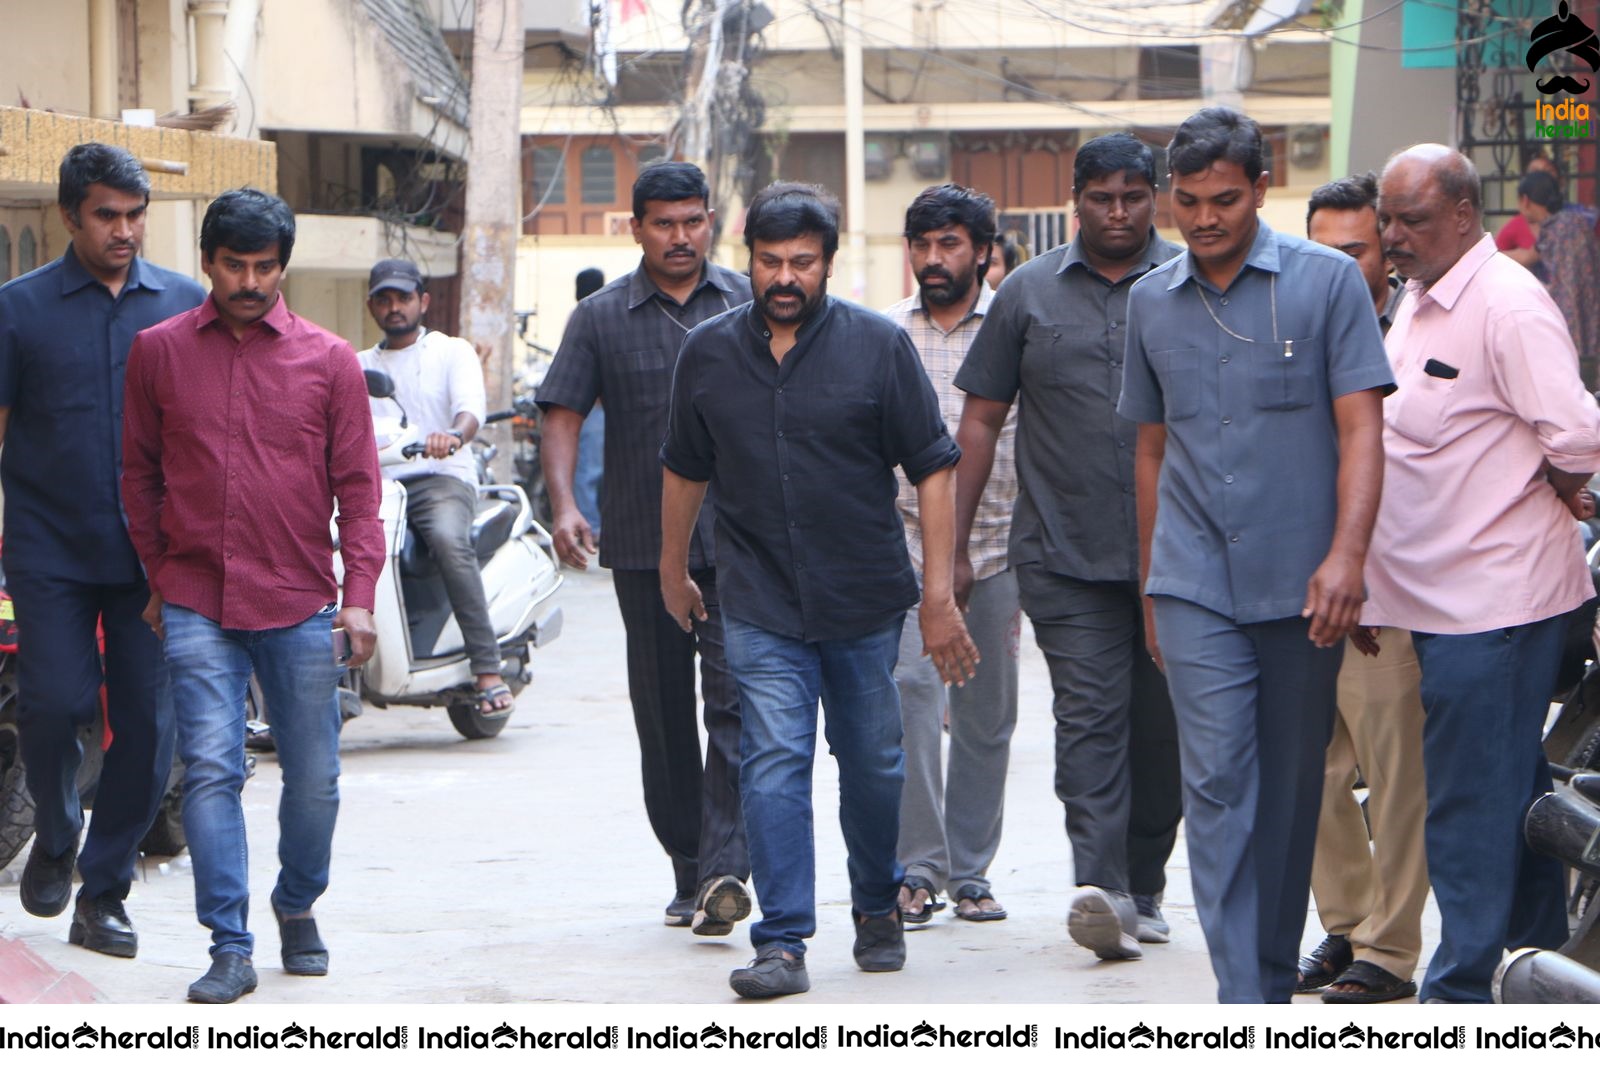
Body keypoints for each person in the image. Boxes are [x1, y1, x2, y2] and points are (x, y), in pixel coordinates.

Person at [660, 181, 977, 999]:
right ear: (750, 262)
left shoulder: (877, 347)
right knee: (771, 761)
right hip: (757, 597)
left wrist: (937, 596)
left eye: (802, 261)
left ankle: (877, 900)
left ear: (830, 263)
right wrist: (672, 566)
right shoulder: (708, 353)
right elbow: (685, 470)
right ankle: (783, 939)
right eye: (770, 261)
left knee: (872, 761)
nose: (785, 277)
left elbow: (935, 470)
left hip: (864, 600)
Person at [1117, 107, 1393, 1003]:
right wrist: (1156, 586)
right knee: (1220, 785)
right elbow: (1151, 448)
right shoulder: (1149, 301)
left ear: (1262, 189)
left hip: (1305, 586)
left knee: (1287, 796)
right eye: (1187, 200)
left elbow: (1362, 429)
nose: (1203, 218)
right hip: (1194, 582)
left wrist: (1349, 557)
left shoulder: (1326, 285)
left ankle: (1270, 981)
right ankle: (1243, 999)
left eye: (1223, 200)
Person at [122, 188, 384, 1003]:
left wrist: (361, 594)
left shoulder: (330, 359)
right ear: (207, 262)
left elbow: (359, 488)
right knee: (210, 769)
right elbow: (139, 475)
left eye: (264, 267)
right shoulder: (158, 352)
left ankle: (297, 904)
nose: (248, 281)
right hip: (197, 595)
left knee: (315, 778)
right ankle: (228, 942)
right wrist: (160, 574)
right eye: (233, 265)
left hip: (302, 599)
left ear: (282, 267)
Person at [1367, 144, 1600, 1003]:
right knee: (1511, 788)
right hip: (1436, 597)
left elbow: (1575, 432)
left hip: (1493, 601)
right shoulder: (1420, 302)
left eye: (1412, 219)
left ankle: (1460, 990)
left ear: (1464, 215)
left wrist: (1557, 482)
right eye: (1387, 218)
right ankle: (1541, 954)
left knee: (1469, 799)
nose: (1393, 235)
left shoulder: (1507, 304)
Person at [955, 132, 1184, 958]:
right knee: (1089, 716)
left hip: (1178, 559)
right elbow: (980, 417)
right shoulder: (1026, 293)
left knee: (1162, 729)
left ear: (1154, 196)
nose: (1116, 212)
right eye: (1100, 197)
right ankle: (1105, 888)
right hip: (1062, 551)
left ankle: (1146, 879)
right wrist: (954, 546)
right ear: (1075, 201)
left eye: (1132, 195)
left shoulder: (1191, 283)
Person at [538, 162, 754, 933]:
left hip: (741, 542)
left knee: (737, 702)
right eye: (663, 223)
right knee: (663, 715)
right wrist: (565, 504)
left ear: (710, 222)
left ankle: (728, 864)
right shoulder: (599, 317)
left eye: (693, 220)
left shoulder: (748, 301)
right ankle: (689, 864)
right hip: (640, 542)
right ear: (635, 229)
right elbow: (561, 411)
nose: (680, 236)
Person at [0, 143, 204, 957]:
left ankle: (106, 889)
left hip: (155, 554)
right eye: (107, 216)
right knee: (53, 702)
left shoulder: (186, 305)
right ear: (69, 217)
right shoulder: (17, 310)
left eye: (135, 215)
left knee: (152, 730)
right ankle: (56, 830)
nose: (125, 231)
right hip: (49, 546)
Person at [1295, 171, 1429, 1005]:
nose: (1339, 268)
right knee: (1312, 769)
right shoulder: (1284, 326)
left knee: (1395, 773)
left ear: (1386, 250)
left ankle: (1390, 947)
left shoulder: (1413, 331)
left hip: (1392, 589)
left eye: (1355, 250)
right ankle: (1345, 926)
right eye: (1321, 252)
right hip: (1303, 591)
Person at [884, 183, 1019, 925]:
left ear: (983, 251)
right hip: (904, 548)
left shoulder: (1015, 324)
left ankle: (972, 872)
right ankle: (920, 867)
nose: (933, 260)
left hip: (999, 547)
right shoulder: (886, 332)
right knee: (910, 694)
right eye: (922, 245)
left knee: (985, 714)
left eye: (950, 244)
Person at [357, 258, 507, 714]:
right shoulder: (358, 365)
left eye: (402, 297)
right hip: (379, 486)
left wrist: (454, 436)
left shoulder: (450, 350)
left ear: (422, 301)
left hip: (440, 479)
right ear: (371, 307)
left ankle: (487, 668)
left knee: (446, 539)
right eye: (384, 299)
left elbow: (470, 410)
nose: (394, 307)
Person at [1516, 169, 1600, 389]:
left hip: (1572, 333)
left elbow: (1561, 286)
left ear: (1525, 201)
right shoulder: (1575, 221)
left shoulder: (1555, 229)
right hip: (1592, 320)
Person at [571, 267, 606, 539]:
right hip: (593, 408)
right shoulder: (591, 315)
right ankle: (591, 526)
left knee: (591, 470)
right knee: (589, 471)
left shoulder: (586, 314)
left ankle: (593, 523)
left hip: (596, 408)